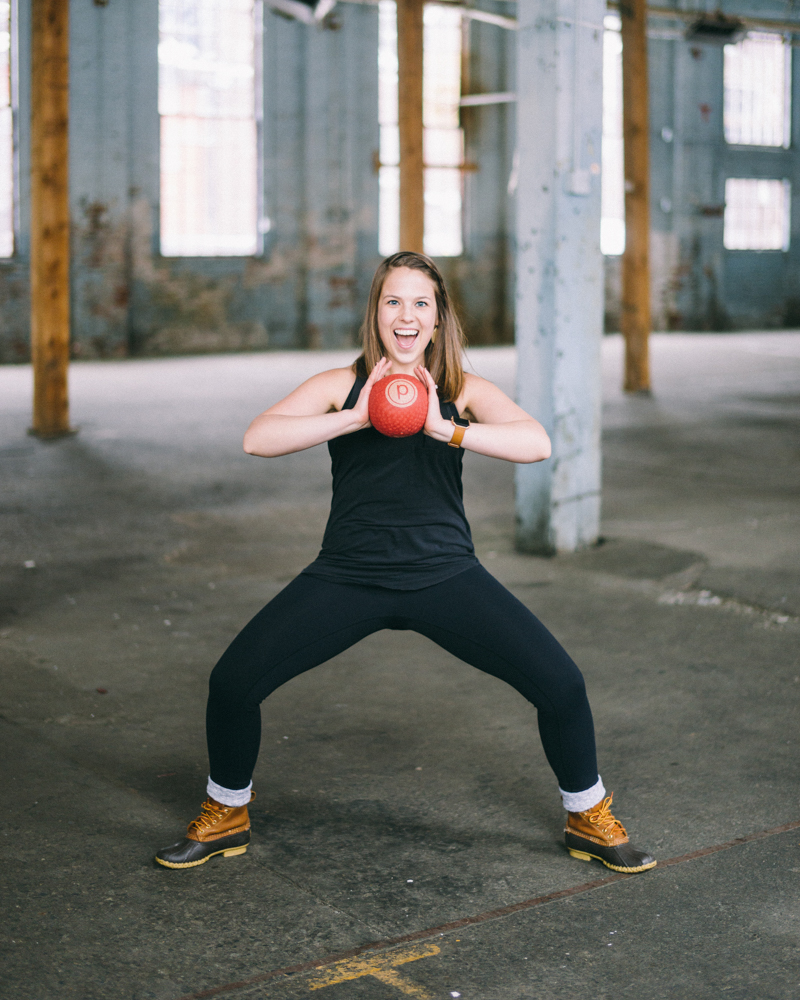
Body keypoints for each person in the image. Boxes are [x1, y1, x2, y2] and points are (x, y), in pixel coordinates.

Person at [155, 251, 655, 874]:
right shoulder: (343, 383)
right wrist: (355, 417)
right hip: (348, 575)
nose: (407, 315)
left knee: (561, 684)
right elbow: (259, 437)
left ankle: (588, 814)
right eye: (394, 301)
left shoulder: (461, 390)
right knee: (233, 682)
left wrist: (447, 429)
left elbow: (537, 443)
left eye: (422, 303)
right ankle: (226, 811)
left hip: (445, 575)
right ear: (376, 311)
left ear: (440, 317)